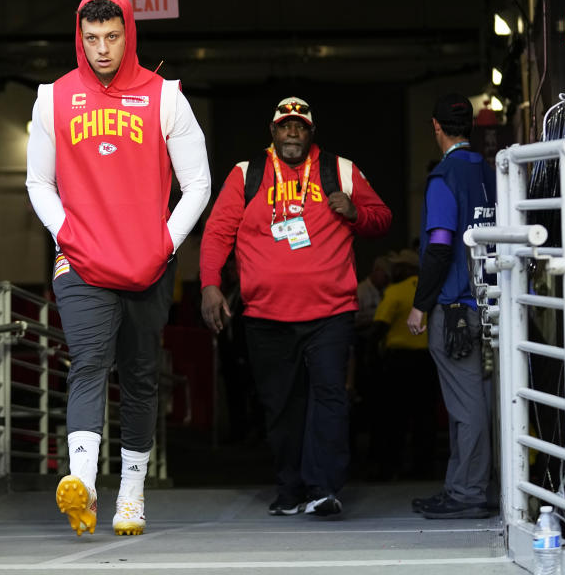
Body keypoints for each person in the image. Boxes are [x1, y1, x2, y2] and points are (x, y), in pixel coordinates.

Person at [25, 0, 211, 537]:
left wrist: (165, 241)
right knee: (87, 362)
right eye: (91, 39)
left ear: (129, 35)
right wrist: (68, 234)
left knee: (138, 374)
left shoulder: (166, 98)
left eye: (111, 37)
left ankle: (130, 494)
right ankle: (81, 484)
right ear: (78, 39)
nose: (102, 49)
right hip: (81, 260)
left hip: (148, 262)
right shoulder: (52, 99)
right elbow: (39, 181)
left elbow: (197, 183)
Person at [200, 97, 391, 517]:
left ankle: (323, 488)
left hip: (330, 313)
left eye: (300, 127)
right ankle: (291, 489)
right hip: (266, 316)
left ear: (311, 134)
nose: (292, 133)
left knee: (329, 397)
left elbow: (382, 217)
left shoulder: (339, 170)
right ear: (272, 132)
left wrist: (356, 212)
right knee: (281, 404)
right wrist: (211, 286)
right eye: (285, 126)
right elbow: (216, 234)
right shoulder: (245, 174)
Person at [407, 92, 496, 519]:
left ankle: (468, 492)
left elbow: (440, 247)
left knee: (466, 406)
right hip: (494, 302)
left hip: (457, 308)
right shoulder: (492, 173)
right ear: (471, 127)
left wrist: (420, 306)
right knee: (480, 397)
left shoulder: (444, 177)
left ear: (436, 128)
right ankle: (461, 485)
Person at [366, 248, 437, 480]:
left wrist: (370, 357)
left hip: (399, 362)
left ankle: (390, 466)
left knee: (394, 417)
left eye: (397, 267)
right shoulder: (431, 290)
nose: (392, 271)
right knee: (425, 416)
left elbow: (379, 328)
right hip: (428, 361)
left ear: (406, 269)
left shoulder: (395, 291)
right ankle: (423, 467)